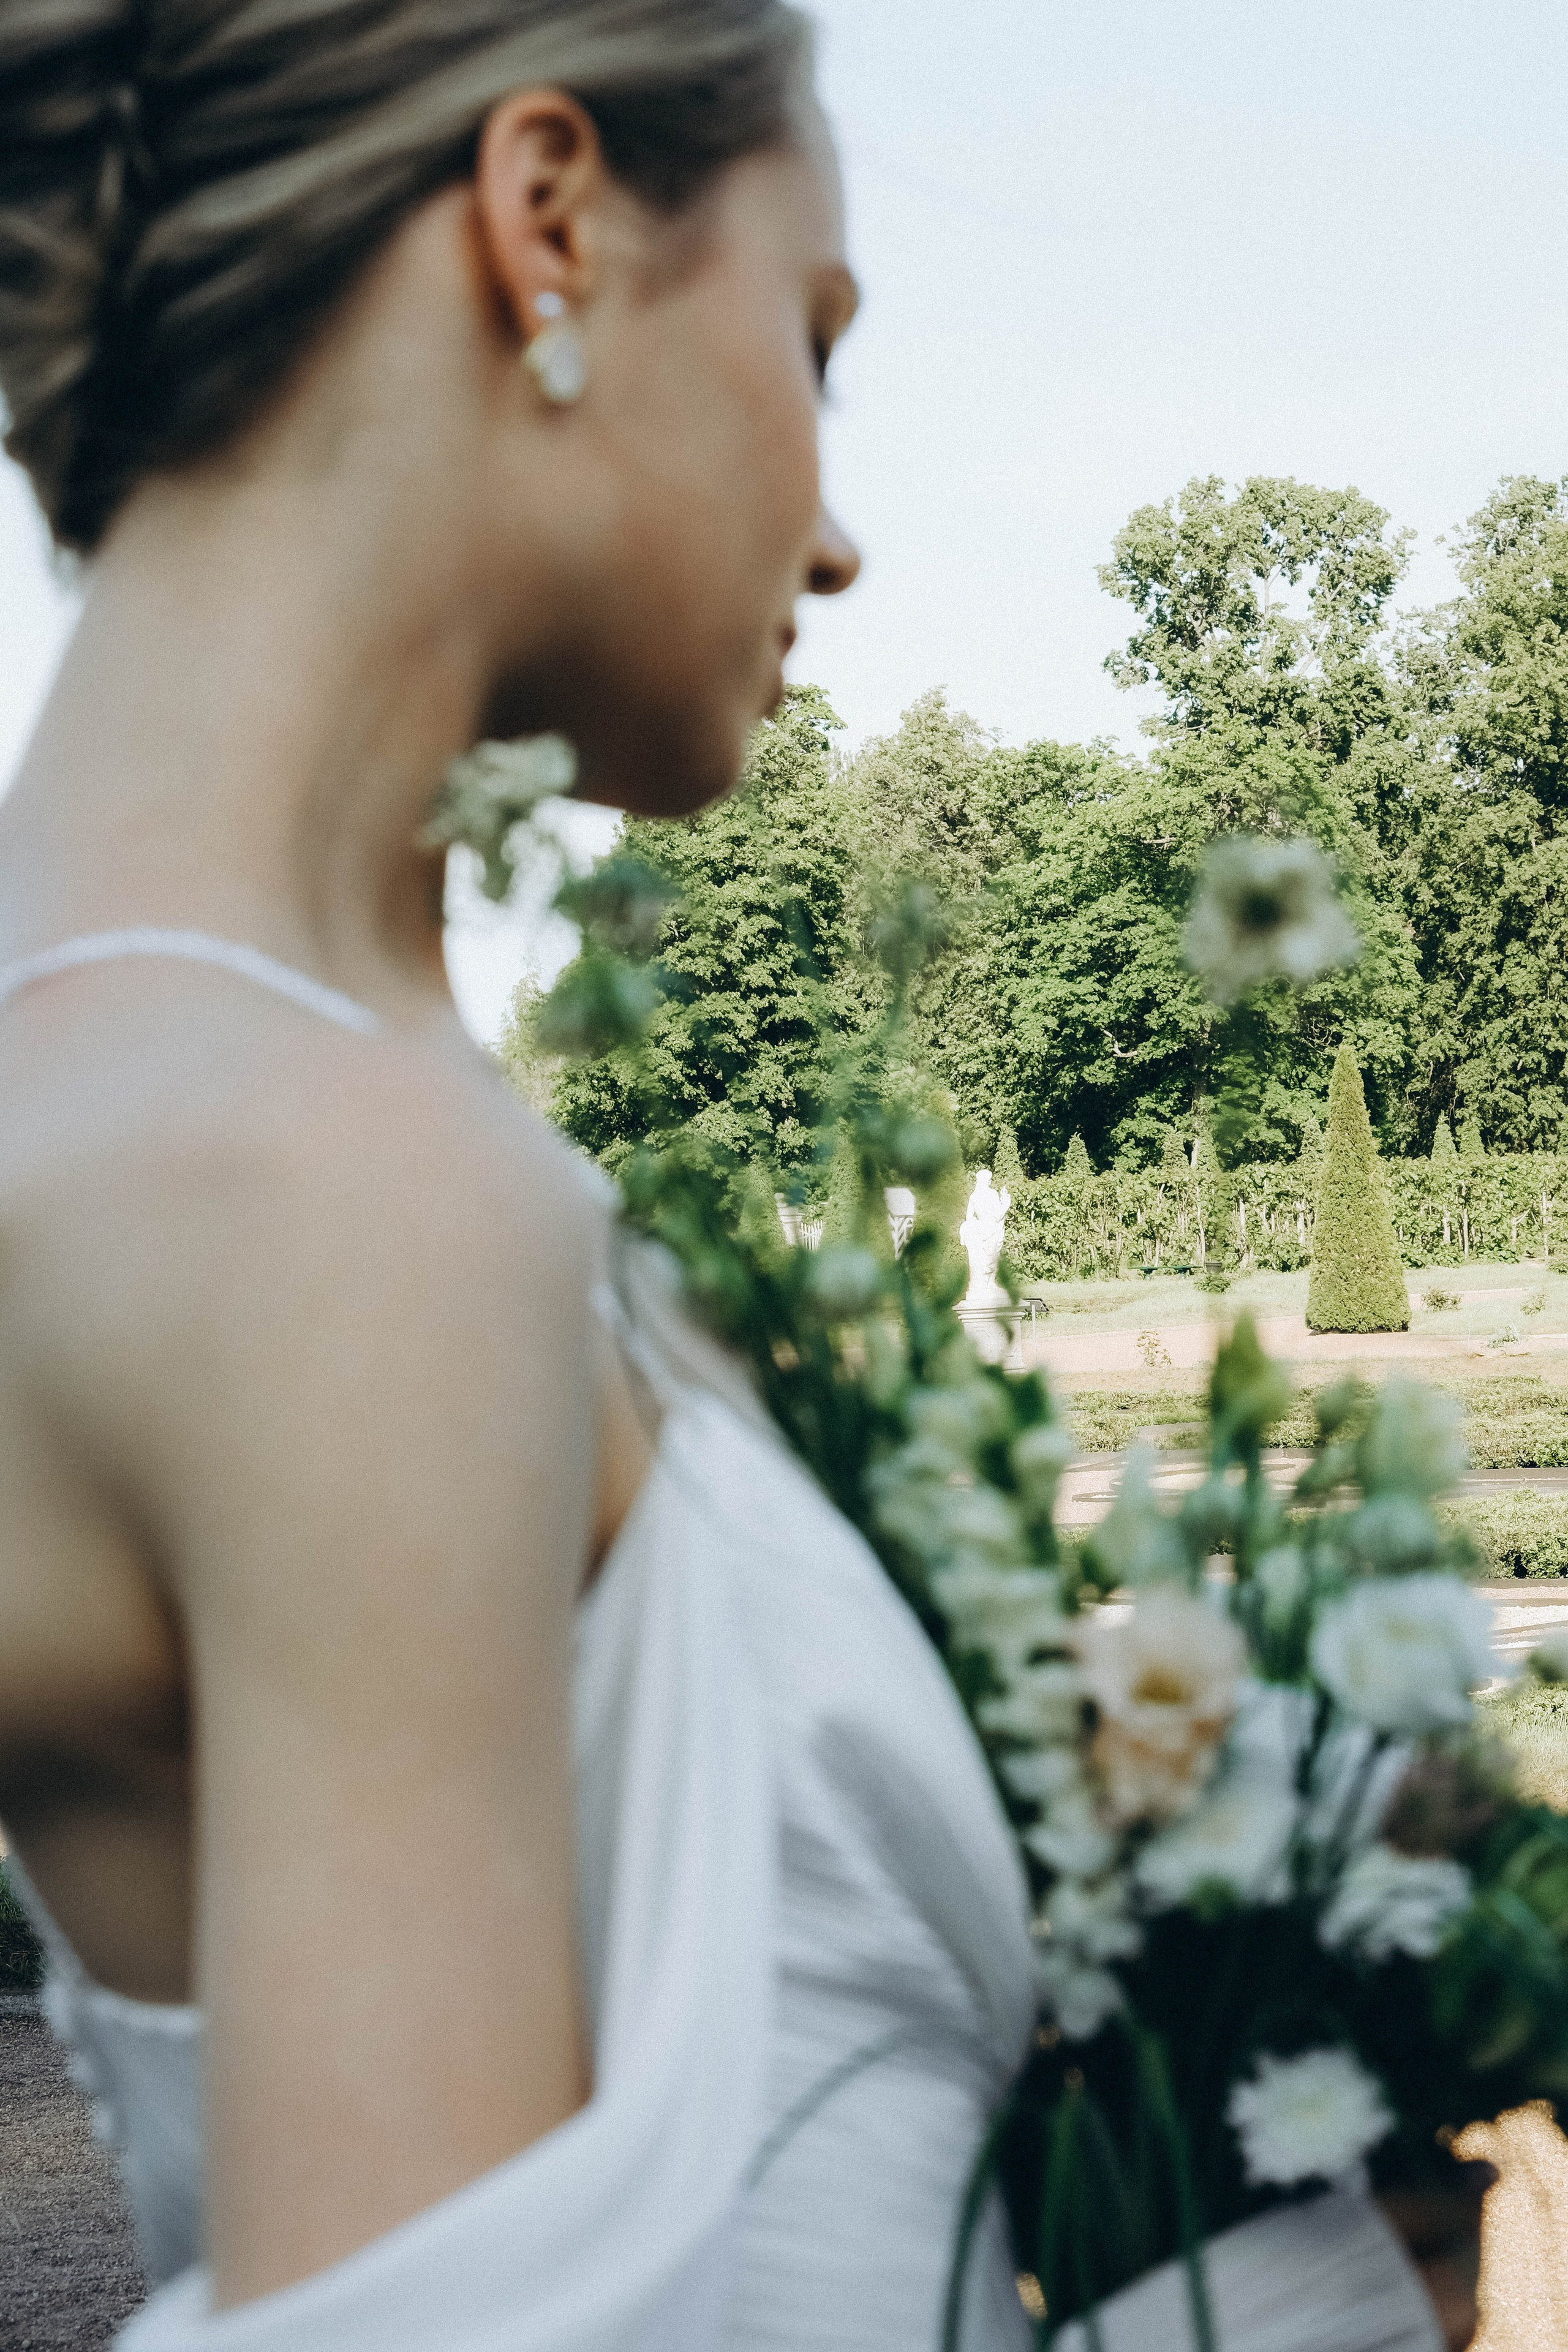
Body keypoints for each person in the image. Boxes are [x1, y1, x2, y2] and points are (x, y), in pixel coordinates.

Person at [0, 2, 1484, 2344]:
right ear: (549, 220)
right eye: (818, 335)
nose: (844, 528)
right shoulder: (334, 1201)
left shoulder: (184, 1095)